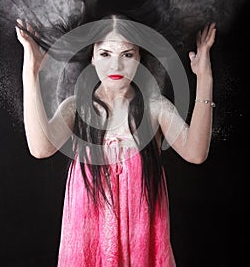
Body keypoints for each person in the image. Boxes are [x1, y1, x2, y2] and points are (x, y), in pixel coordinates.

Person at [16, 14, 216, 267]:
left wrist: (204, 77)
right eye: (105, 54)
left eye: (127, 55)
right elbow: (40, 148)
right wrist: (31, 71)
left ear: (139, 57)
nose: (116, 66)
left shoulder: (155, 108)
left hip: (141, 247)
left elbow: (196, 153)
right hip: (88, 247)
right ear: (92, 56)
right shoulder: (77, 108)